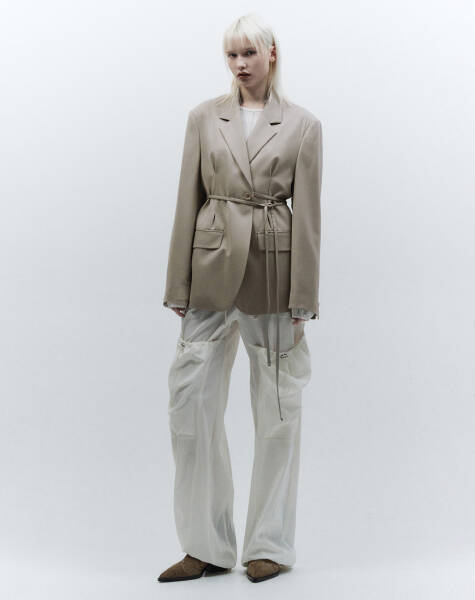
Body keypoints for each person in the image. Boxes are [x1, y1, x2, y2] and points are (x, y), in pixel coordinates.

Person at [157, 12, 323, 584]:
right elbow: (188, 197)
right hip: (209, 268)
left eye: (249, 52)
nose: (239, 63)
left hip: (273, 273)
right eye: (231, 54)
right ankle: (204, 545)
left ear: (271, 54)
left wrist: (304, 298)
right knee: (190, 405)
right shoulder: (204, 117)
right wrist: (177, 283)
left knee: (278, 408)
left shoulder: (303, 125)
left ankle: (269, 544)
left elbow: (309, 219)